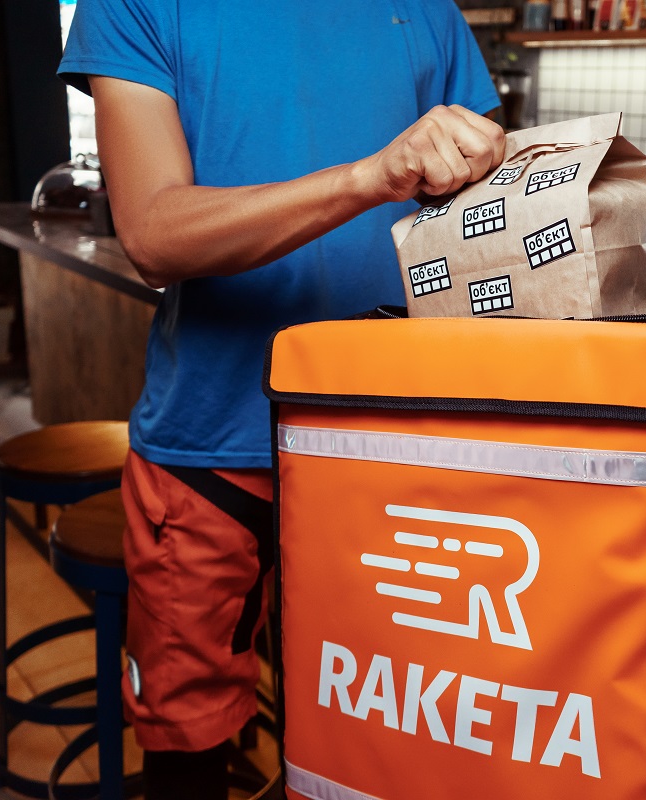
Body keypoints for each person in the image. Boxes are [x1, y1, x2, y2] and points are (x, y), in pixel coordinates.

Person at [57, 2, 503, 797]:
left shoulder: (426, 9)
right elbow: (153, 233)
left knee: (399, 722)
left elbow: (479, 205)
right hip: (212, 451)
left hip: (401, 440)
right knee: (189, 742)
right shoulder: (135, 6)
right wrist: (370, 177)